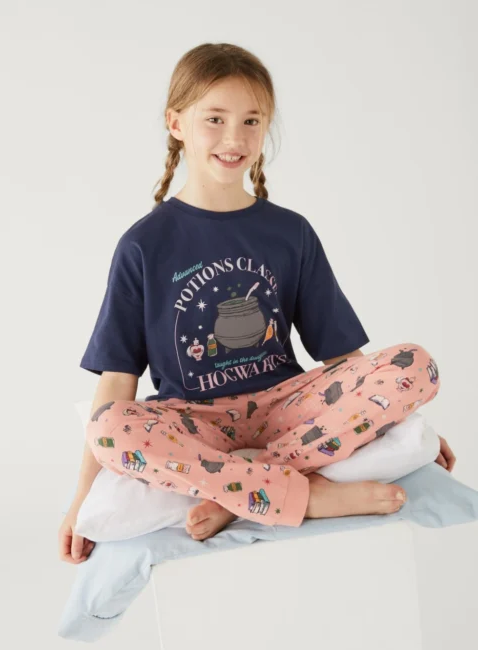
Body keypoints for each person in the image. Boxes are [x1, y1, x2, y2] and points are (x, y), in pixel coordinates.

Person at [59, 42, 456, 564]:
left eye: (251, 121)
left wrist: (395, 417)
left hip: (286, 410)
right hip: (196, 423)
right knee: (109, 427)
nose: (234, 138)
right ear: (176, 123)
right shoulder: (143, 245)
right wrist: (81, 502)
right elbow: (117, 381)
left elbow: (341, 358)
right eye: (215, 119)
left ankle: (246, 489)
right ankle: (305, 496)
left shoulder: (290, 232)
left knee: (416, 365)